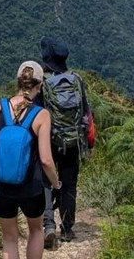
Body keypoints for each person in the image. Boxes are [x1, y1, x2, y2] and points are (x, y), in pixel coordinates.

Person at [0, 61, 62, 259]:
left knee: (9, 238)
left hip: (0, 185)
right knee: (37, 231)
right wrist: (56, 184)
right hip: (31, 187)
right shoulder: (41, 115)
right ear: (39, 86)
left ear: (18, 82)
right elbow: (46, 160)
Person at [39, 36, 93, 248]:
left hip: (50, 141)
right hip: (73, 141)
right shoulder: (77, 81)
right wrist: (89, 144)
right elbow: (87, 114)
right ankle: (68, 228)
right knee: (69, 183)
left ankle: (49, 225)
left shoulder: (43, 83)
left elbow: (36, 114)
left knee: (46, 181)